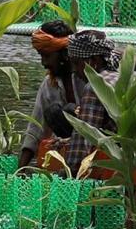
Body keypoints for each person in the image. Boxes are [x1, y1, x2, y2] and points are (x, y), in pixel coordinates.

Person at [19, 23, 117, 167]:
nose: (43, 63)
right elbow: (35, 128)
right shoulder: (50, 84)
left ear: (65, 54)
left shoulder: (91, 77)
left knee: (70, 109)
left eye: (47, 56)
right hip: (77, 138)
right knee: (55, 112)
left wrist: (70, 175)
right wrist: (21, 169)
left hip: (104, 139)